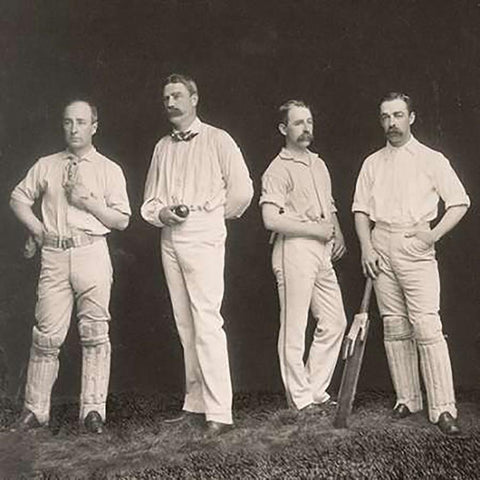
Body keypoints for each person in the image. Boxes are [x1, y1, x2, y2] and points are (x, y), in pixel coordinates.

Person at [9, 98, 131, 434]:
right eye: (68, 122)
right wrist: (38, 230)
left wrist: (87, 202)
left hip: (91, 251)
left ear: (94, 125)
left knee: (94, 332)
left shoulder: (108, 169)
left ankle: (93, 412)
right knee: (46, 334)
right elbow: (19, 197)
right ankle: (35, 410)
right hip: (55, 254)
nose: (74, 129)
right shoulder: (47, 164)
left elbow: (121, 220)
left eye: (81, 122)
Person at [141, 73, 253, 437]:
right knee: (184, 321)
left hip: (203, 235)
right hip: (170, 237)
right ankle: (196, 403)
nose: (170, 102)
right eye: (166, 97)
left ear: (194, 98)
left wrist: (209, 219)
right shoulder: (162, 146)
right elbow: (150, 199)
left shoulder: (219, 139)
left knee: (206, 320)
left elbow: (243, 192)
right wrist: (162, 214)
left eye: (177, 95)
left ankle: (220, 412)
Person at [352, 92, 470, 435]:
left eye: (398, 115)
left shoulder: (431, 159)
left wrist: (430, 236)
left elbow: (459, 202)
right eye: (386, 116)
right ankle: (407, 398)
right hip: (380, 243)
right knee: (394, 325)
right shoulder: (372, 162)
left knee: (426, 326)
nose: (392, 123)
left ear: (412, 117)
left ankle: (443, 408)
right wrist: (366, 248)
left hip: (414, 244)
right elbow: (360, 209)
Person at [259, 100, 347, 412]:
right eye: (298, 123)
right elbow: (271, 219)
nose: (306, 128)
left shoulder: (318, 164)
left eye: (309, 121)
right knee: (294, 326)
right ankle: (299, 400)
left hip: (321, 249)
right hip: (293, 249)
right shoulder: (277, 169)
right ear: (283, 129)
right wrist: (315, 230)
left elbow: (329, 206)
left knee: (335, 321)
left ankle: (312, 389)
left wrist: (337, 233)